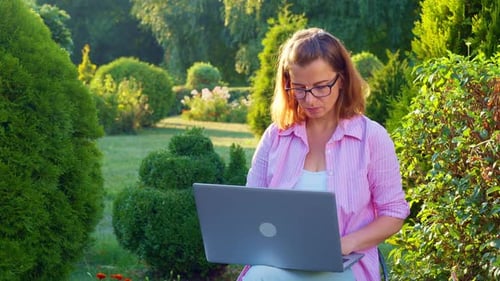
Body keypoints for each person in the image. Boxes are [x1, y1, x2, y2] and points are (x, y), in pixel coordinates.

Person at [237, 28, 410, 281]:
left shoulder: (371, 137)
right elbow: (252, 207)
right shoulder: (276, 136)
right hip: (279, 262)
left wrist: (345, 244)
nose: (310, 99)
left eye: (320, 87)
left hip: (344, 265)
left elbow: (394, 213)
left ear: (341, 80)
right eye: (299, 88)